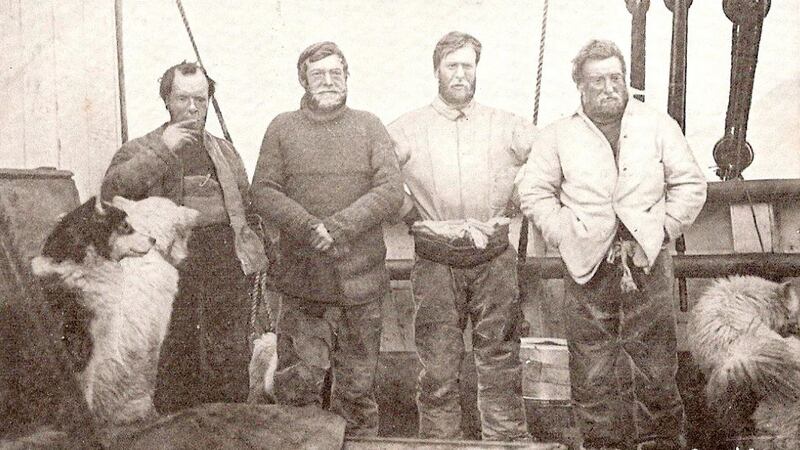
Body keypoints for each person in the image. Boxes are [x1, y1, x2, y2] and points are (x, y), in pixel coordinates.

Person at [517, 39, 707, 449]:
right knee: (591, 371)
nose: (609, 88)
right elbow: (533, 191)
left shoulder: (658, 125)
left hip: (648, 262)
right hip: (587, 266)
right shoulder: (558, 135)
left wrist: (662, 230)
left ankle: (661, 444)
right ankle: (601, 445)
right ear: (580, 87)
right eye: (598, 80)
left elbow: (691, 184)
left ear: (625, 80)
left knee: (657, 368)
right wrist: (563, 232)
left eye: (615, 78)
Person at [250, 41, 403, 437]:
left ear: (347, 78)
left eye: (336, 73)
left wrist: (337, 227)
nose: (329, 81)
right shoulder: (282, 128)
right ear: (304, 80)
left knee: (357, 396)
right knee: (297, 392)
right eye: (318, 74)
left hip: (361, 287)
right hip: (303, 288)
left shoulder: (369, 126)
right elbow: (263, 191)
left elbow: (391, 191)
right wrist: (307, 227)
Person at [387, 31, 531, 441]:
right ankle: (439, 444)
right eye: (452, 66)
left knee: (501, 362)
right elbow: (378, 176)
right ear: (437, 70)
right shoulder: (406, 128)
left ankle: (506, 443)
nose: (460, 74)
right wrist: (410, 213)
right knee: (437, 368)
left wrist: (518, 199)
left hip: (494, 259)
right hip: (436, 262)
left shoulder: (507, 125)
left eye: (468, 65)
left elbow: (549, 160)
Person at [101, 62, 267, 413]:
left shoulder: (224, 150)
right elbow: (112, 192)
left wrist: (255, 252)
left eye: (200, 100)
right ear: (167, 100)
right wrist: (164, 149)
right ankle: (176, 423)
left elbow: (247, 203)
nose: (193, 108)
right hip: (169, 263)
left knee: (229, 349)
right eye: (183, 99)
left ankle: (227, 421)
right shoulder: (142, 147)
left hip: (224, 256)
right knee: (176, 346)